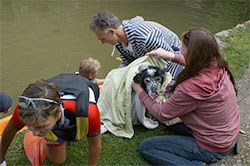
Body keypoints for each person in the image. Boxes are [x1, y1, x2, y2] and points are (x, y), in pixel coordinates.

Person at [132, 27, 240, 165]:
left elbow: (162, 113)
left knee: (147, 147)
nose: (180, 51)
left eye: (182, 49)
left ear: (193, 54)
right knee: (172, 125)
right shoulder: (217, 66)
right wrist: (171, 56)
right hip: (227, 135)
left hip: (213, 147)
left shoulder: (190, 87)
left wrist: (140, 91)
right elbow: (195, 63)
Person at [0, 76, 101, 165]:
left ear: (57, 113)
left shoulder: (90, 113)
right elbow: (9, 131)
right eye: (30, 126)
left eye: (41, 127)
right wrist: (1, 160)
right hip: (59, 113)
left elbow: (95, 145)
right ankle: (51, 136)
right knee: (58, 161)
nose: (34, 133)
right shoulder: (25, 108)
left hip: (79, 97)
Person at [90, 11, 183, 79]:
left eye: (103, 39)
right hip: (149, 65)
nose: (102, 42)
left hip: (177, 65)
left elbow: (170, 59)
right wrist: (114, 77)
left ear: (111, 32)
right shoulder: (119, 41)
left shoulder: (146, 37)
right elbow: (127, 61)